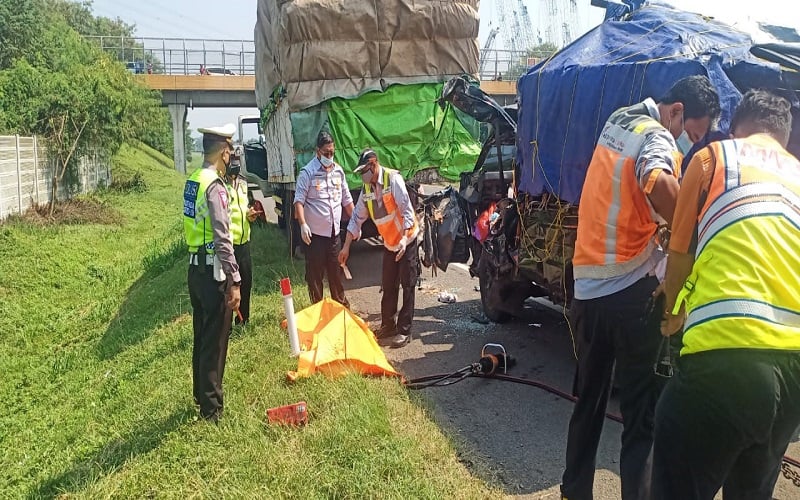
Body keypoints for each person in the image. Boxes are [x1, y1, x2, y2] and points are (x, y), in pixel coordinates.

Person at [561, 75, 720, 500]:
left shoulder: (619, 120)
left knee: (589, 404)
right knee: (640, 420)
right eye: (692, 133)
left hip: (588, 290)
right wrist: (691, 228)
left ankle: (573, 491)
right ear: (677, 112)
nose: (690, 144)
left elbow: (629, 194)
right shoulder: (656, 138)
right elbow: (654, 178)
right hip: (631, 293)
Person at [654, 89, 800, 499]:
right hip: (793, 373)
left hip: (725, 359)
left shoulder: (713, 158)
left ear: (737, 128)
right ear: (783, 139)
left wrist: (674, 312)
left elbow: (680, 252)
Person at [183, 123, 241, 423]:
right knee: (215, 341)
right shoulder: (215, 186)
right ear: (222, 151)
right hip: (213, 273)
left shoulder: (193, 180)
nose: (231, 155)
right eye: (229, 150)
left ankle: (200, 394)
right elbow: (223, 237)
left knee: (201, 336)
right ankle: (212, 409)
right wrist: (235, 279)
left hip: (195, 270)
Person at [338, 148, 419, 348]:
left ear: (373, 165)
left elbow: (408, 212)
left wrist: (404, 240)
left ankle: (404, 331)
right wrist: (346, 247)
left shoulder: (393, 180)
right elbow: (356, 218)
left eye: (364, 170)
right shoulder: (366, 190)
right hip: (390, 243)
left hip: (406, 241)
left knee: (408, 285)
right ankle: (388, 325)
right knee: (388, 284)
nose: (362, 176)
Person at [293, 131, 354, 307]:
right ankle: (317, 310)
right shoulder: (308, 173)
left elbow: (347, 200)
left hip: (334, 235)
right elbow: (299, 201)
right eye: (326, 153)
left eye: (332, 153)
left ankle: (342, 310)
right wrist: (303, 225)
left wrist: (356, 221)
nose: (329, 156)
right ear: (317, 151)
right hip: (315, 237)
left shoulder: (338, 172)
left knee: (336, 274)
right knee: (315, 276)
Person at [225, 145, 259, 326]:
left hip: (244, 242)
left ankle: (243, 321)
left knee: (246, 283)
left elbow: (243, 207)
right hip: (229, 245)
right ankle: (226, 325)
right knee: (230, 286)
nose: (235, 164)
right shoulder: (220, 185)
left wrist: (249, 213)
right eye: (232, 160)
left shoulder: (244, 183)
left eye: (237, 160)